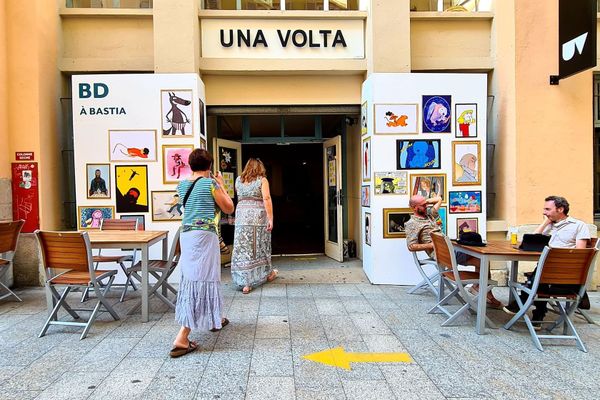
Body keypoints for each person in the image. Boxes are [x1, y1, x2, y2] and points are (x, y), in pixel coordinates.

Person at [170, 149, 234, 358]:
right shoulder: (210, 184)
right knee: (204, 278)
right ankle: (182, 336)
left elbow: (181, 208)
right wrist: (222, 186)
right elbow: (229, 208)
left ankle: (216, 318)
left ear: (190, 165)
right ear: (209, 165)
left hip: (186, 235)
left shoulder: (182, 185)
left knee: (193, 278)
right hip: (205, 236)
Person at [503, 196, 591, 325]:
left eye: (547, 209)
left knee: (537, 279)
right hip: (547, 271)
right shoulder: (550, 226)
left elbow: (580, 254)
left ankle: (522, 302)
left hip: (566, 275)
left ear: (560, 209)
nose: (544, 212)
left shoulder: (578, 226)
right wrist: (545, 223)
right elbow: (530, 242)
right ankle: (538, 316)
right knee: (540, 275)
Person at [405, 194, 502, 308]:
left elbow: (439, 199)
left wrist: (425, 201)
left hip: (450, 248)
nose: (426, 206)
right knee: (479, 251)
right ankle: (482, 290)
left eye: (426, 203)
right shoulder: (412, 224)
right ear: (414, 207)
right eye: (423, 205)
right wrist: (432, 244)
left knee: (482, 260)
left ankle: (481, 289)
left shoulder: (429, 214)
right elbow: (411, 246)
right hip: (441, 253)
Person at [231, 158, 277, 294]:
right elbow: (266, 198)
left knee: (243, 248)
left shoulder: (238, 180)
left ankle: (245, 282)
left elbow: (239, 197)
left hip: (241, 218)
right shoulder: (262, 180)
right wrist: (271, 218)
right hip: (258, 218)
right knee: (260, 246)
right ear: (260, 168)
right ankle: (267, 274)